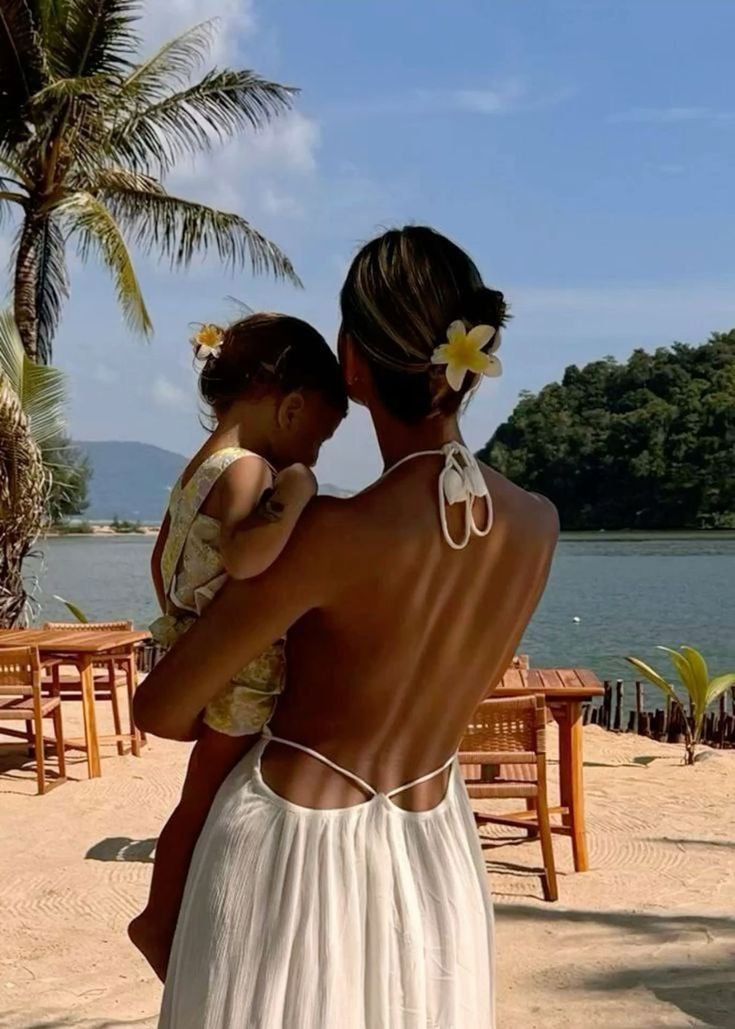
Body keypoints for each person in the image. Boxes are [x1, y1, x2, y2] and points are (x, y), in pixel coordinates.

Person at [135, 226, 559, 1028]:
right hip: (435, 851)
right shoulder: (536, 524)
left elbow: (159, 710)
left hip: (290, 853)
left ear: (352, 361)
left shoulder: (329, 530)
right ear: (466, 366)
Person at [128, 313, 347, 980]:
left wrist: (186, 615)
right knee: (203, 801)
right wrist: (300, 491)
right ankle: (159, 920)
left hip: (199, 650)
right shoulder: (250, 470)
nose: (313, 454)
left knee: (202, 798)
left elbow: (163, 556)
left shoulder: (196, 467)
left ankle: (169, 915)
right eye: (319, 434)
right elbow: (249, 557)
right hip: (238, 676)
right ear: (289, 404)